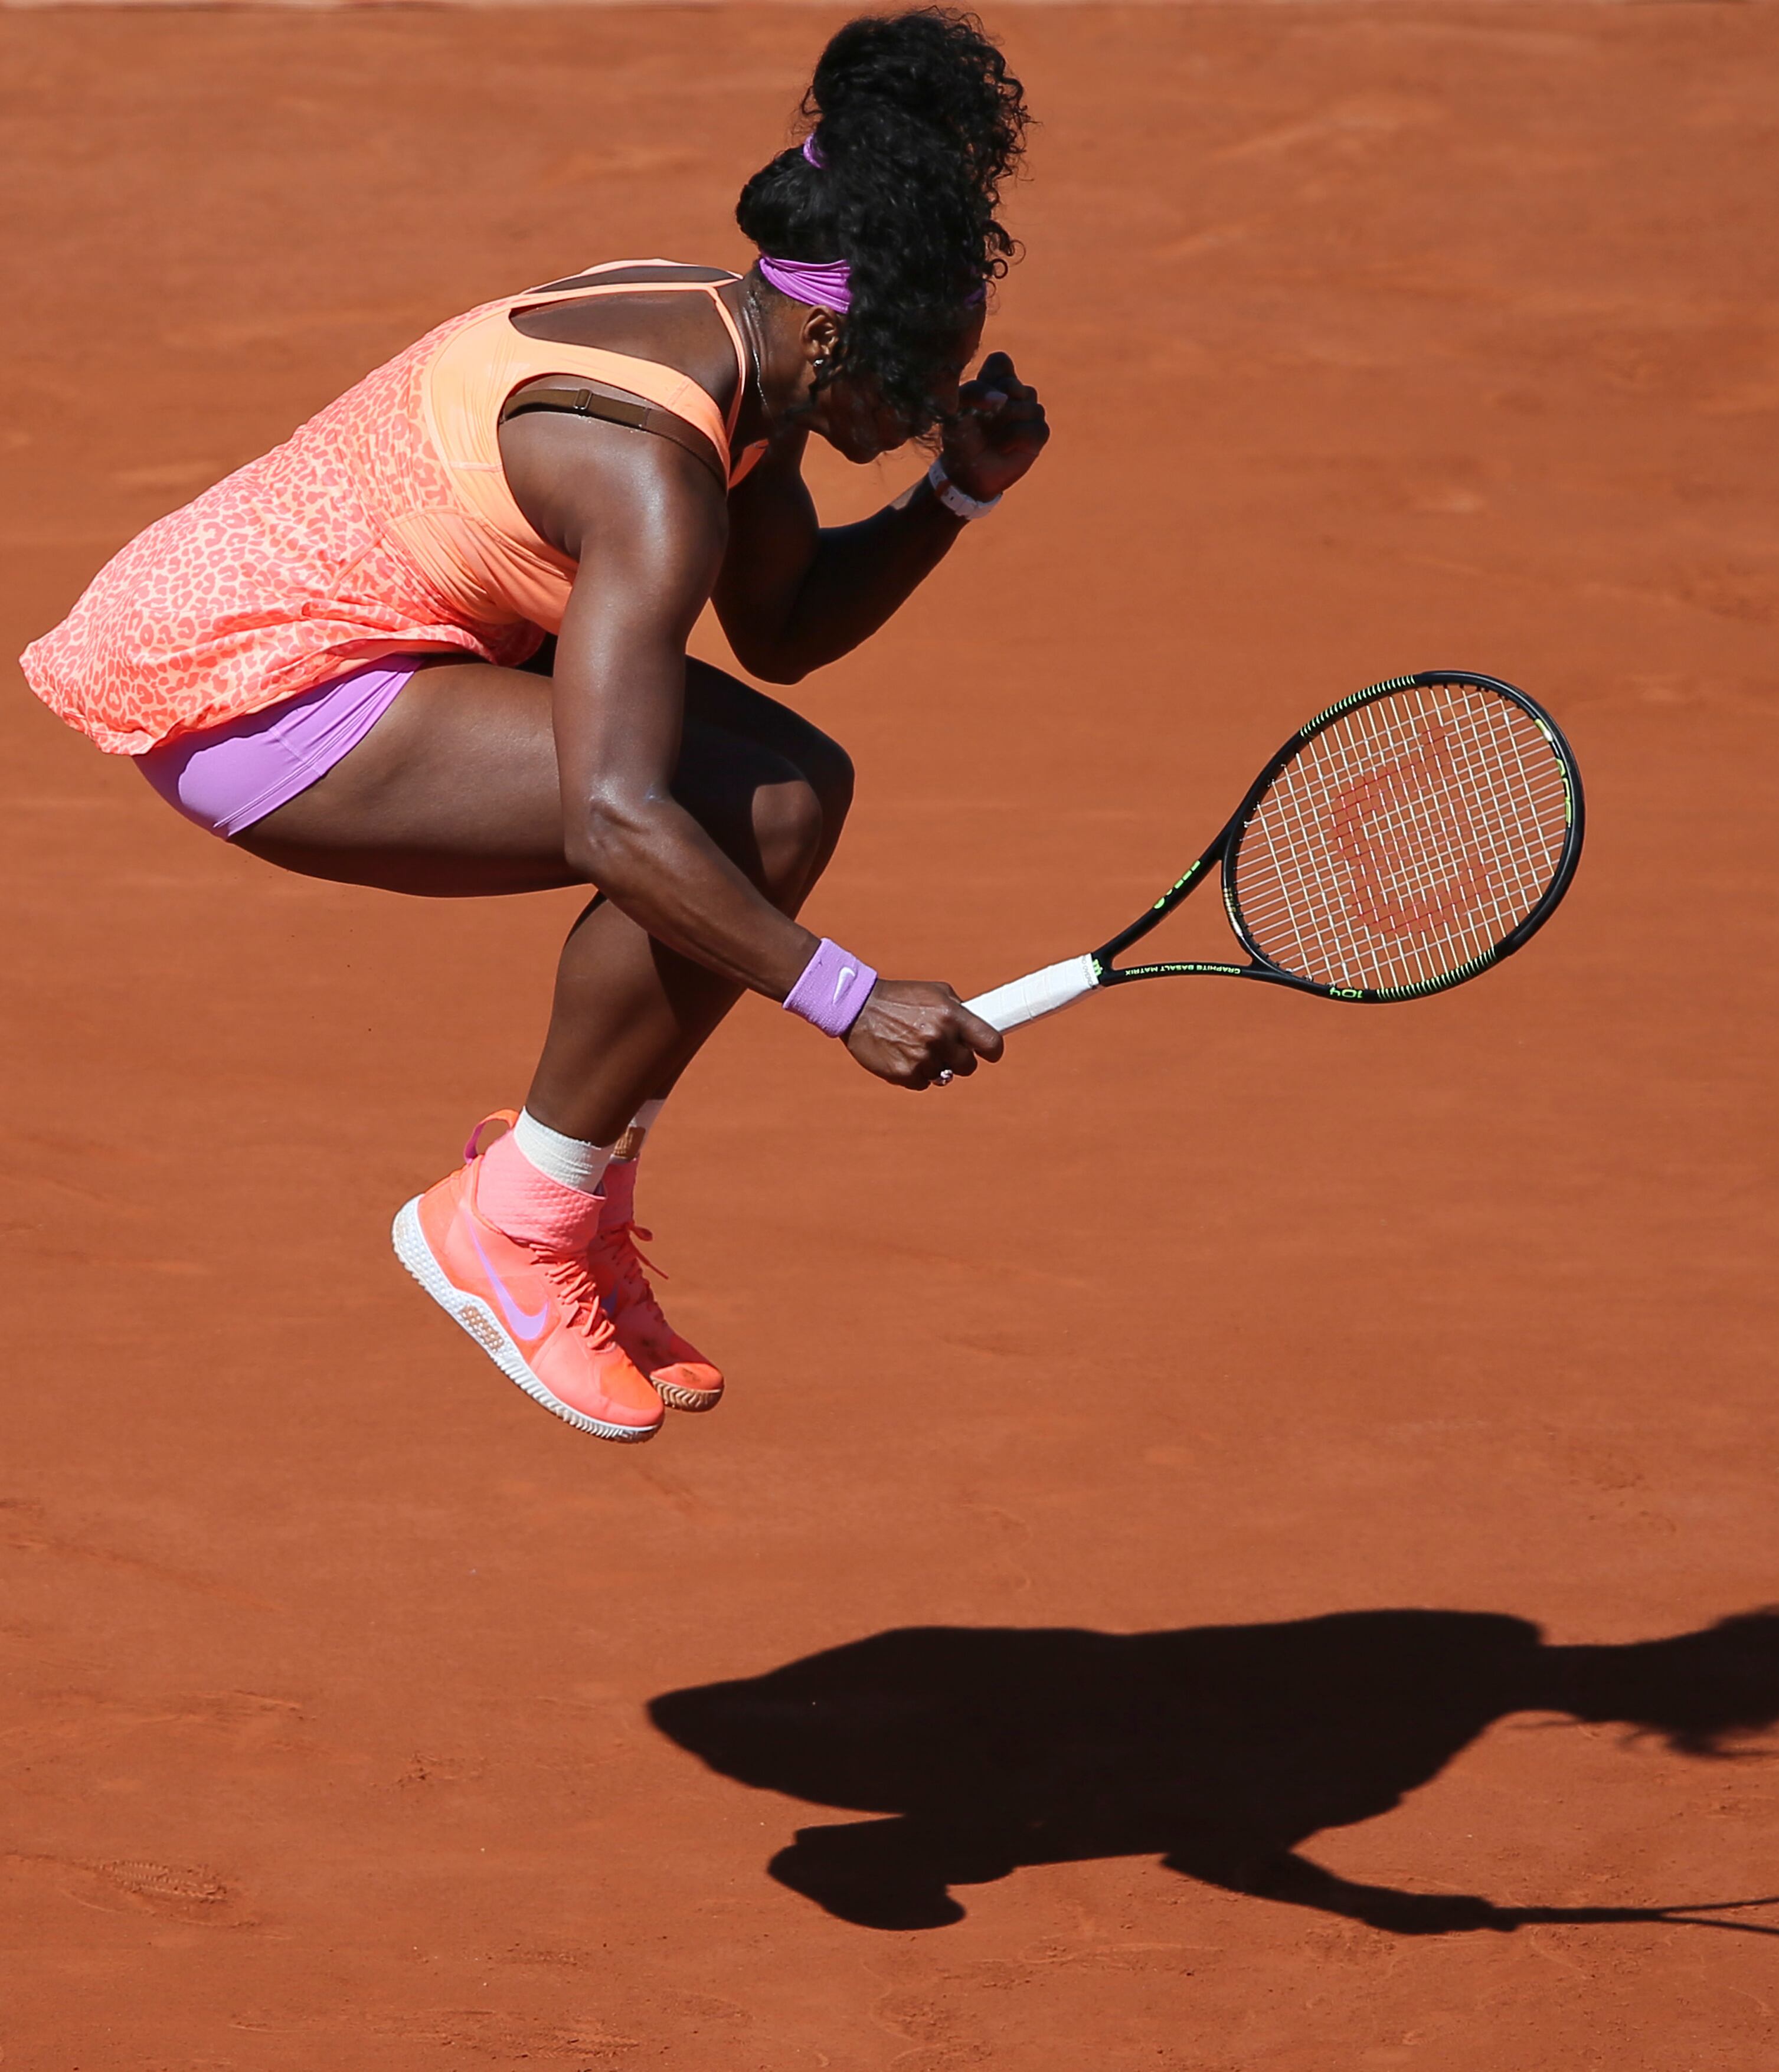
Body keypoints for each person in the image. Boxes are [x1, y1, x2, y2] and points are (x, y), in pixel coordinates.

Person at [18, 8, 1044, 1444]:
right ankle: (512, 1225)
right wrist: (848, 999)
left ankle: (561, 1203)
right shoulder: (652, 469)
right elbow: (613, 819)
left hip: (358, 634)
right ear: (828, 328)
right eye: (922, 387)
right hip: (263, 693)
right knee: (730, 814)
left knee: (789, 790)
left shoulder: (735, 339)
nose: (935, 411)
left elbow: (786, 629)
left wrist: (957, 498)